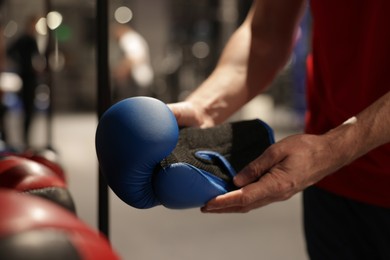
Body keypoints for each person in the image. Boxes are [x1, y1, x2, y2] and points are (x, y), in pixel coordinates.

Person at [168, 0, 390, 259]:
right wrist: (202, 107)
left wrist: (333, 149)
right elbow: (265, 35)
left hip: (333, 158)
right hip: (335, 186)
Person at [7, 16, 40, 149]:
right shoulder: (27, 40)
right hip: (27, 78)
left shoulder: (30, 40)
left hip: (28, 77)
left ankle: (26, 138)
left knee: (29, 110)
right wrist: (24, 63)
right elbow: (11, 52)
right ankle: (25, 138)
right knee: (28, 109)